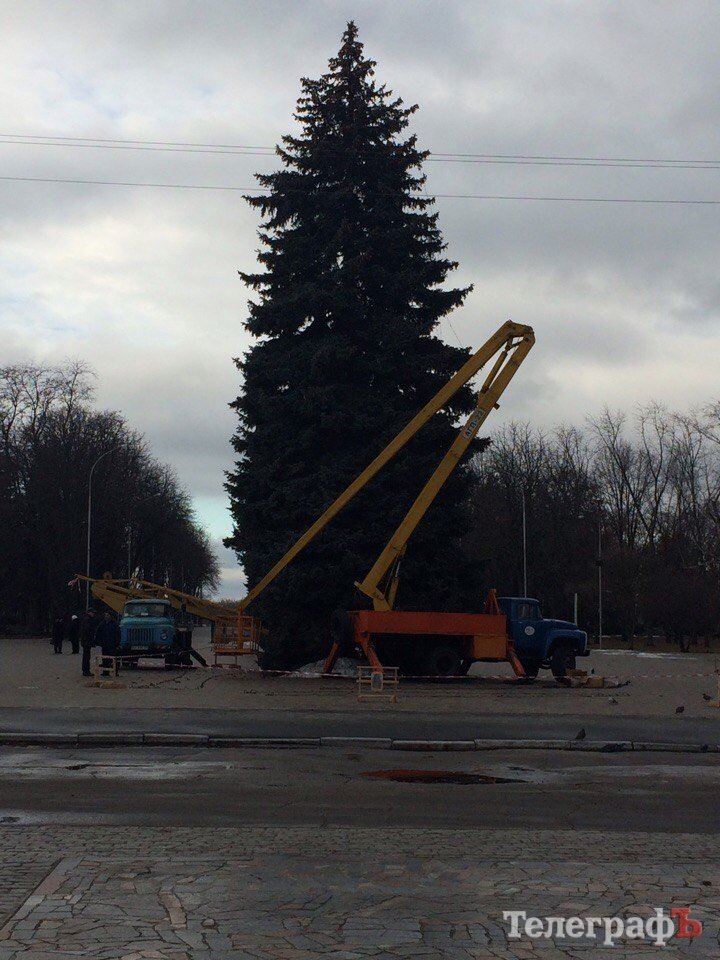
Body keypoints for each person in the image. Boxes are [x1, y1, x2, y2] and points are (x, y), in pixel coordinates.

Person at [80, 608, 97, 677]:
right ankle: (86, 671)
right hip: (87, 641)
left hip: (85, 641)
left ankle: (85, 670)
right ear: (89, 612)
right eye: (93, 613)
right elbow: (87, 630)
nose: (94, 614)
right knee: (86, 657)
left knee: (86, 656)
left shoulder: (86, 619)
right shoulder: (88, 620)